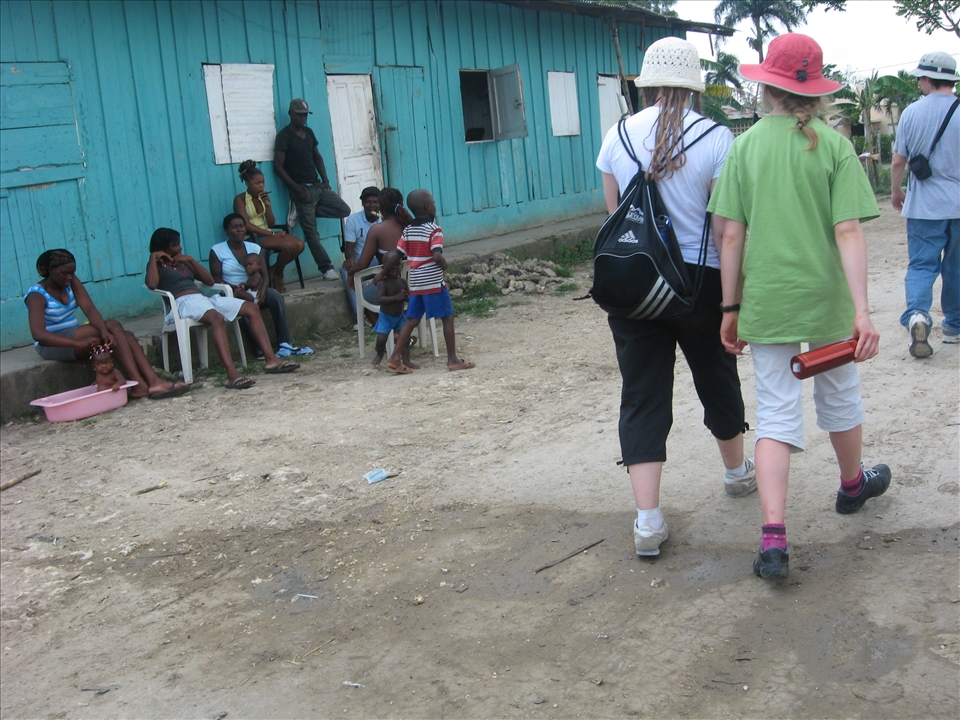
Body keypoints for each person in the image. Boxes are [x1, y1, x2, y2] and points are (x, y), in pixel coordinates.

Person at [708, 33, 891, 580]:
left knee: (776, 412)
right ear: (816, 89)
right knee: (839, 395)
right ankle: (852, 485)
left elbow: (731, 236)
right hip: (827, 302)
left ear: (767, 85)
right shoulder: (835, 146)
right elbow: (850, 228)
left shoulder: (745, 146)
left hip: (769, 300)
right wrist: (862, 311)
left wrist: (729, 306)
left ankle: (773, 539)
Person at [595, 36, 753, 559]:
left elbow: (617, 216)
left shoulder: (618, 133)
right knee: (715, 374)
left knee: (641, 393)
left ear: (648, 83)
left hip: (634, 283)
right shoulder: (717, 138)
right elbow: (727, 228)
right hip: (697, 283)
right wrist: (733, 304)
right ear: (694, 85)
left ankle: (647, 521)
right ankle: (735, 473)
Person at [25, 248, 190, 400]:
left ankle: (152, 382)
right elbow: (39, 335)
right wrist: (77, 342)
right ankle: (141, 383)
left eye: (72, 273)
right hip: (53, 344)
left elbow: (89, 308)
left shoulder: (70, 281)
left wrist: (104, 333)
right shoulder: (36, 295)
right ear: (51, 271)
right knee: (112, 325)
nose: (70, 277)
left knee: (125, 336)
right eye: (65, 274)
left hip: (74, 333)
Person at [146, 228, 299, 390]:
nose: (180, 248)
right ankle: (232, 374)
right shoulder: (157, 266)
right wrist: (153, 257)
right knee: (216, 318)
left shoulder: (182, 262)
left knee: (251, 308)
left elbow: (209, 281)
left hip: (203, 300)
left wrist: (190, 261)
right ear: (163, 246)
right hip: (184, 302)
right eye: (175, 245)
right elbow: (151, 284)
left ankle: (271, 360)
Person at [890, 51, 959, 358]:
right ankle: (954, 327)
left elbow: (898, 161)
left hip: (924, 207)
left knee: (921, 265)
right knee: (956, 267)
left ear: (929, 79)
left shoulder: (911, 113)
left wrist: (895, 192)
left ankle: (918, 315)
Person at [383, 189, 474, 373]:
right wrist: (445, 265)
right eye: (432, 201)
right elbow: (437, 255)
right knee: (447, 317)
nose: (434, 204)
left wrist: (381, 273)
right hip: (433, 283)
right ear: (427, 207)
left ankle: (394, 357)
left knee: (412, 320)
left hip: (416, 284)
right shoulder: (434, 230)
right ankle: (453, 359)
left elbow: (396, 255)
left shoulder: (408, 230)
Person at [210, 214, 312, 359]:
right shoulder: (217, 250)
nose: (239, 230)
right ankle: (260, 350)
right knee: (244, 308)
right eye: (234, 227)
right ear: (227, 231)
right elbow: (217, 279)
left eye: (241, 226)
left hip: (255, 289)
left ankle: (284, 341)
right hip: (232, 293)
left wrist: (263, 289)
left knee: (275, 296)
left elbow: (265, 275)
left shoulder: (254, 247)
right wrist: (235, 287)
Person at [274, 98, 351, 280]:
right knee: (312, 234)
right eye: (299, 115)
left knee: (343, 209)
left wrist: (325, 179)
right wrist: (295, 188)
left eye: (304, 115)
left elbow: (317, 157)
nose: (302, 118)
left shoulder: (308, 132)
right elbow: (278, 166)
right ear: (291, 114)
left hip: (317, 187)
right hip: (302, 190)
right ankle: (326, 268)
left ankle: (305, 212)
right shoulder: (284, 136)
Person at [232, 159, 305, 293]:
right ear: (247, 183)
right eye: (257, 183)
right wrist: (271, 234)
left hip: (266, 233)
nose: (261, 186)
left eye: (262, 182)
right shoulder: (240, 200)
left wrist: (267, 204)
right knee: (288, 246)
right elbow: (246, 225)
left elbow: (271, 223)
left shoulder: (263, 197)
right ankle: (279, 276)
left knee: (300, 245)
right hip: (253, 237)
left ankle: (274, 270)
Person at [340, 186, 382, 320]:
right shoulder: (353, 220)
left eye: (375, 202)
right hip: (361, 261)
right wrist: (350, 259)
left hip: (379, 260)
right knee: (345, 270)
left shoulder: (385, 219)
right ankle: (359, 316)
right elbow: (350, 247)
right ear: (363, 203)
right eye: (368, 202)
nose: (372, 206)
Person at [371, 250, 414, 369]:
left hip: (399, 316)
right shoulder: (383, 283)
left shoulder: (403, 282)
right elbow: (380, 299)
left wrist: (406, 297)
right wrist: (396, 298)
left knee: (406, 337)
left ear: (401, 265)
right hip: (386, 316)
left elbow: (408, 299)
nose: (394, 268)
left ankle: (406, 360)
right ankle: (379, 354)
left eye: (397, 264)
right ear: (384, 267)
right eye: (391, 265)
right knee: (381, 339)